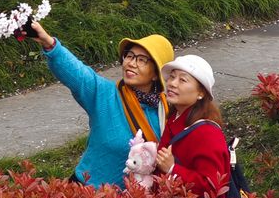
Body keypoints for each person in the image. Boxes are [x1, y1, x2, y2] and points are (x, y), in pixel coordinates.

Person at [30, 20, 174, 187]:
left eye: (142, 60)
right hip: (87, 193)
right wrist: (49, 44)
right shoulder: (105, 94)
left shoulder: (167, 111)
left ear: (156, 74)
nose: (131, 63)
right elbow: (80, 75)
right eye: (129, 56)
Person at [156, 54, 230, 198]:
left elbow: (211, 187)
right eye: (172, 77)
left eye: (182, 80)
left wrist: (172, 169)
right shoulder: (175, 116)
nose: (172, 84)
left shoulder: (208, 134)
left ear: (201, 93)